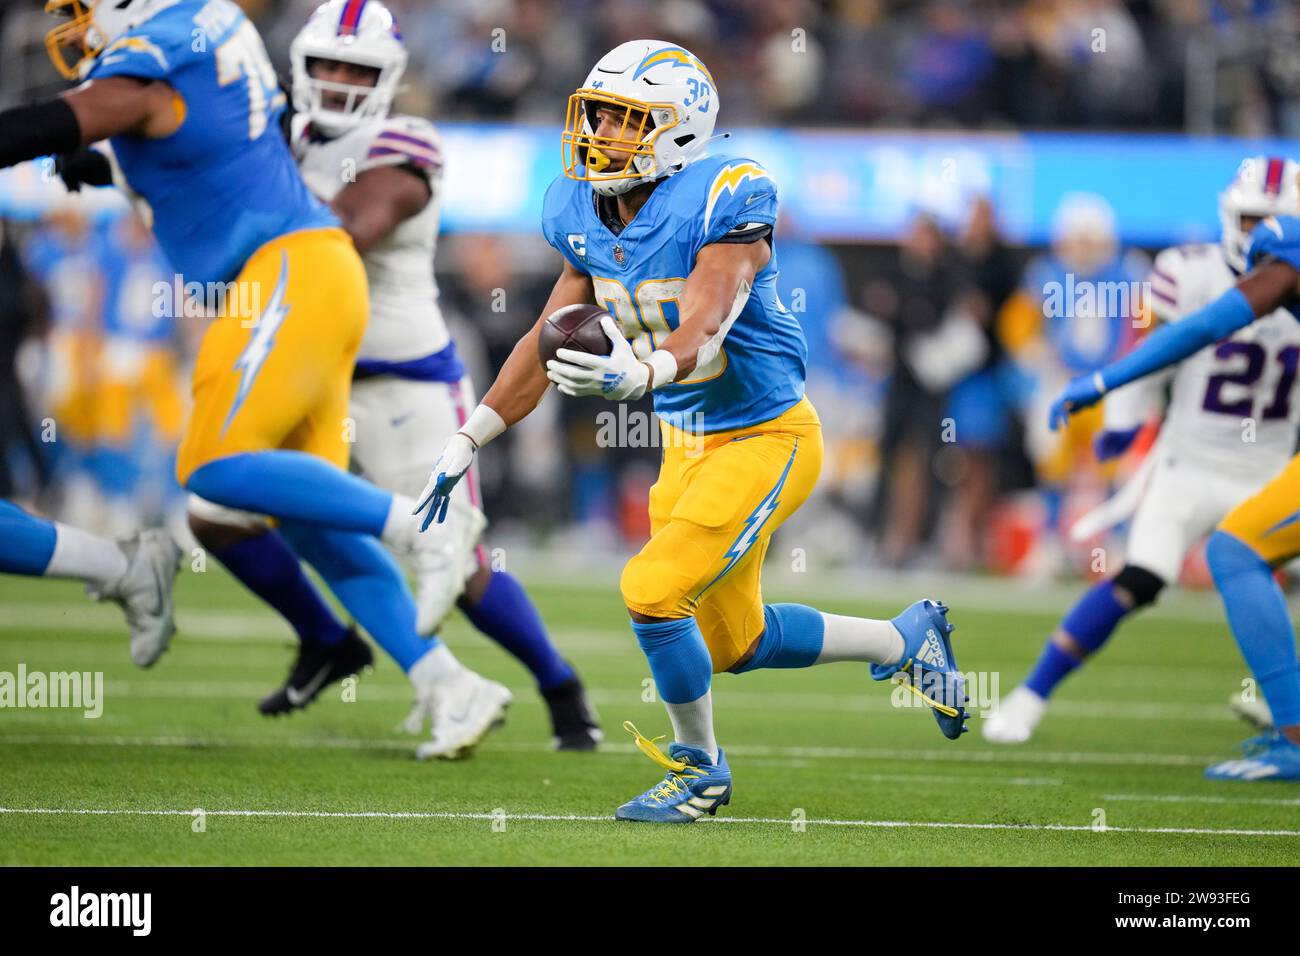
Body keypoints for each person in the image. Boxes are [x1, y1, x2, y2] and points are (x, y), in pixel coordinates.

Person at [413, 39, 969, 822]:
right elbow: (547, 338)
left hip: (764, 435)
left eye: (623, 117)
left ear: (676, 129)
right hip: (687, 442)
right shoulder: (582, 208)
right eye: (597, 113)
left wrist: (640, 375)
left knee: (650, 588)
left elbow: (705, 323)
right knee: (732, 644)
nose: (600, 130)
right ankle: (903, 641)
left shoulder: (725, 196)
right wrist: (470, 435)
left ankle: (699, 772)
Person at [0, 0, 486, 758]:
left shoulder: (159, 59)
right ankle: (447, 681)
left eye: (85, 9)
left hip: (287, 274)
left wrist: (60, 138)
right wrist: (94, 158)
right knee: (303, 514)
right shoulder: (210, 39)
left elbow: (63, 118)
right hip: (306, 277)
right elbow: (187, 146)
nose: (78, 25)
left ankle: (422, 525)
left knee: (211, 469)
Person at [190, 0, 598, 751]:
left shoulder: (404, 143)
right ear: (300, 69)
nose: (342, 82)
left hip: (405, 382)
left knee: (460, 566)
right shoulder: (280, 131)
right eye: (329, 66)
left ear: (389, 79)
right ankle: (326, 639)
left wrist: (219, 194)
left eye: (360, 70)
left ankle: (560, 686)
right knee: (219, 509)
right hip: (314, 378)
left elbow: (339, 235)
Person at [988, 158, 1300, 743]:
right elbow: (1153, 342)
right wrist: (1125, 416)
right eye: (1252, 219)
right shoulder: (1189, 269)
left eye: (1273, 221)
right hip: (1190, 463)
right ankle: (1031, 693)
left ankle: (1289, 714)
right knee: (1139, 578)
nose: (1260, 235)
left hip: (1272, 472)